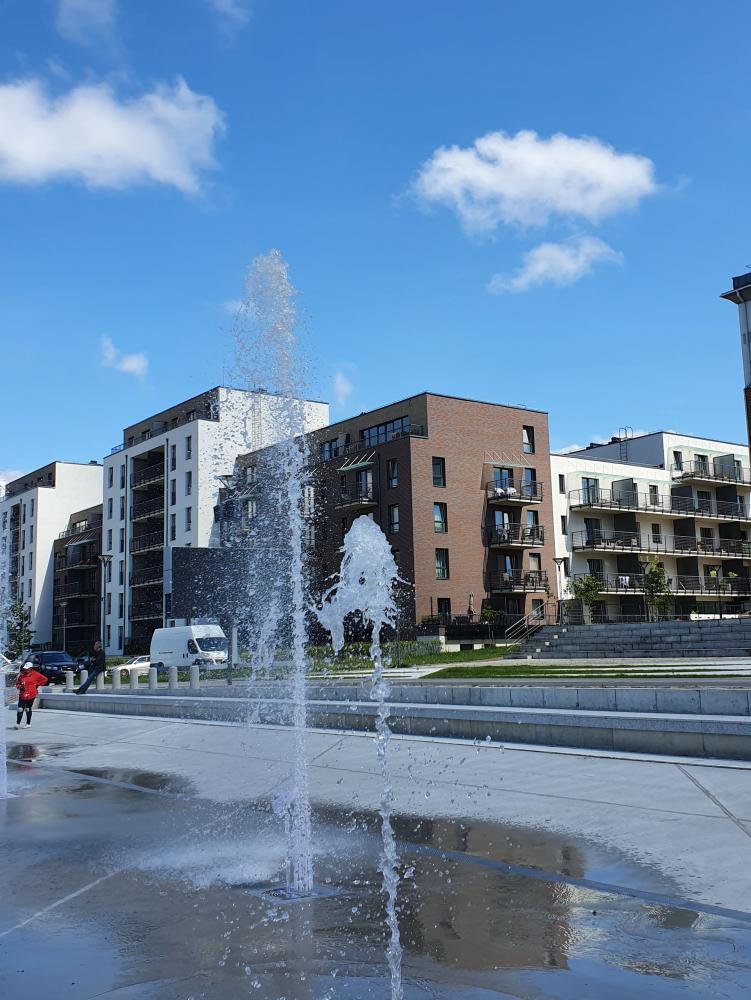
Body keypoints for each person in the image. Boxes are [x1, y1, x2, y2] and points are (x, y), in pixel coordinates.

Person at [15, 659, 49, 729]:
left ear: (30, 668)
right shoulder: (21, 675)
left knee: (27, 709)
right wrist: (19, 686)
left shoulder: (35, 674)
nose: (25, 670)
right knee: (20, 709)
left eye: (27, 669)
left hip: (31, 694)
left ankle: (28, 723)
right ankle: (18, 723)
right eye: (25, 669)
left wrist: (37, 684)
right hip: (22, 694)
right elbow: (17, 683)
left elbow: (45, 679)